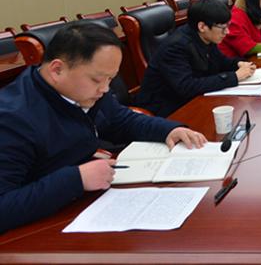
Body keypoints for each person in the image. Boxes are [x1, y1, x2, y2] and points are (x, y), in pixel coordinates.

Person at [0, 22, 207, 234]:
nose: (106, 89)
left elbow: (120, 119)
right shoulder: (12, 119)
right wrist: (76, 179)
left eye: (110, 79)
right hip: (36, 230)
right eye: (98, 79)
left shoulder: (84, 91)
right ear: (57, 70)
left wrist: (168, 130)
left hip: (84, 203)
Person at [137, 0, 257, 117]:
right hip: (165, 109)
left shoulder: (206, 37)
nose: (227, 32)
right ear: (202, 26)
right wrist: (235, 77)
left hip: (191, 100)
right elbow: (187, 87)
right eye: (223, 28)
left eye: (228, 26)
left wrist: (239, 64)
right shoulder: (175, 47)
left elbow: (221, 61)